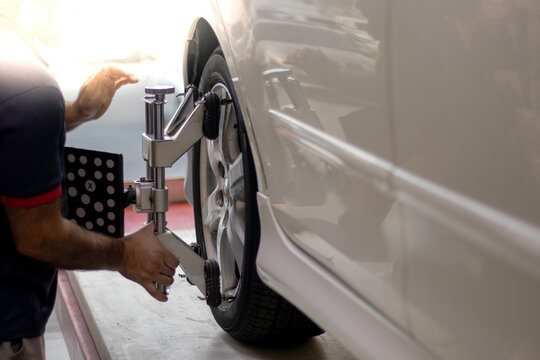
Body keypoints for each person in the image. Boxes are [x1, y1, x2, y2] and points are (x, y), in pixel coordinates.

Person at [0, 4, 179, 359]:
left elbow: (10, 130)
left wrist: (77, 111)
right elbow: (40, 237)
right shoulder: (28, 87)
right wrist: (125, 253)